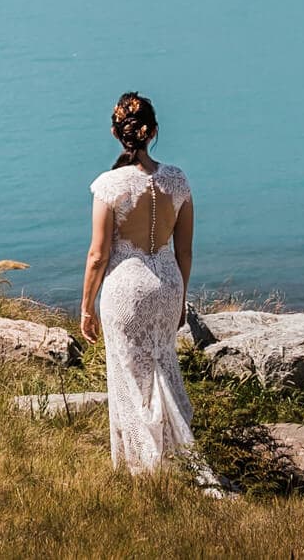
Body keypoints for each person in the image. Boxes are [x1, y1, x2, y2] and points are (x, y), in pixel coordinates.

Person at [79, 92, 230, 491]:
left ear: (116, 134)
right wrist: (180, 298)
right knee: (163, 370)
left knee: (131, 378)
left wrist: (86, 308)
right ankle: (175, 461)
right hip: (166, 284)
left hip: (126, 289)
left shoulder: (110, 186)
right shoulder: (177, 180)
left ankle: (144, 470)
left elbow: (98, 255)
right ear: (154, 132)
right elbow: (185, 249)